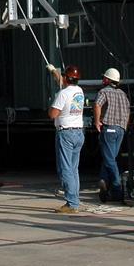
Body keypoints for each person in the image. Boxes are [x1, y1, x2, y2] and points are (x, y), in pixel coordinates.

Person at [47, 64, 85, 214]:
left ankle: (72, 203)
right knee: (74, 169)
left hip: (66, 133)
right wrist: (54, 72)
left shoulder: (62, 94)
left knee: (66, 169)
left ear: (67, 78)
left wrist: (51, 104)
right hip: (78, 132)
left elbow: (53, 114)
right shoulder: (79, 91)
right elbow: (63, 83)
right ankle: (75, 199)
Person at [93, 67, 130, 203]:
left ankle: (117, 188)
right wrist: (124, 126)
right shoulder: (123, 94)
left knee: (109, 160)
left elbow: (97, 105)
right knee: (111, 157)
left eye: (104, 78)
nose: (103, 79)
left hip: (109, 129)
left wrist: (97, 121)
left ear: (108, 80)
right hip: (120, 129)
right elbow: (128, 110)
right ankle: (103, 180)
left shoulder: (104, 91)